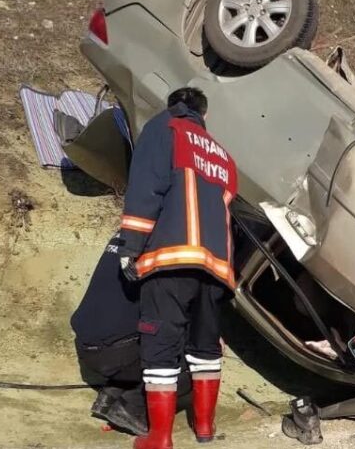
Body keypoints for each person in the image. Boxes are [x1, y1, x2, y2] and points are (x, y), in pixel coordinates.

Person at [117, 87, 237, 449]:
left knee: (161, 343)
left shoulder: (164, 128)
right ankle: (205, 428)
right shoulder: (222, 154)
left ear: (174, 107)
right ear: (205, 115)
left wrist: (131, 246)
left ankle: (161, 437)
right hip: (215, 267)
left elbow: (146, 187)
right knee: (204, 345)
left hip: (172, 259)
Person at [69, 231, 193, 437]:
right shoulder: (169, 244)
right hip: (113, 351)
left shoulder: (130, 229)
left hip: (87, 342)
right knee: (198, 354)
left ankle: (112, 394)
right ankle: (134, 407)